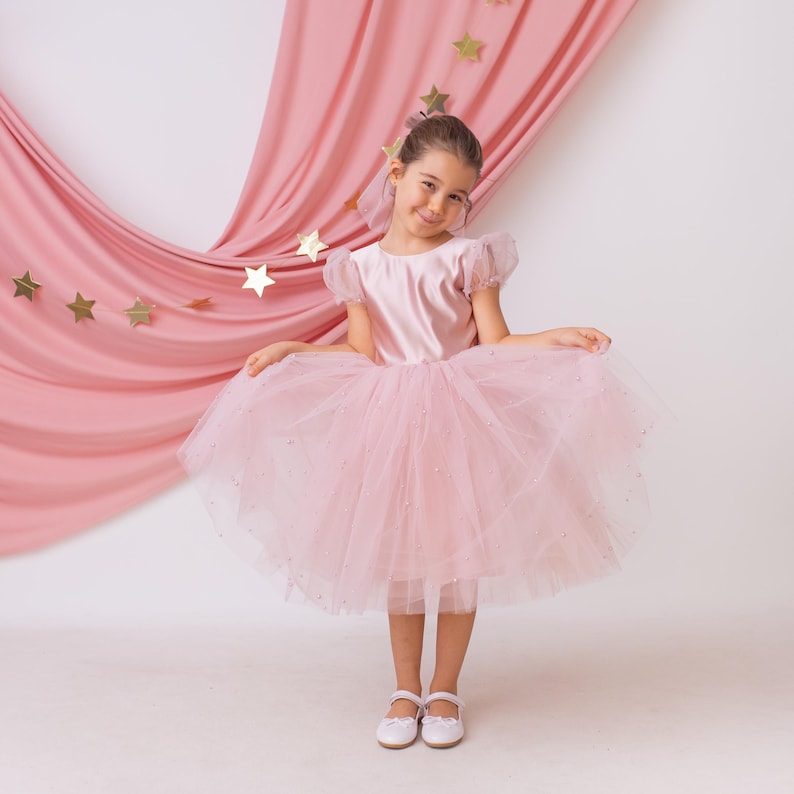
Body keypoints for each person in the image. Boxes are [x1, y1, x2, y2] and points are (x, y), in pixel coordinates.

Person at [179, 114, 655, 750]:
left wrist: (559, 336)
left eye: (456, 195)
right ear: (397, 175)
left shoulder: (465, 258)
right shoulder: (361, 268)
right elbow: (361, 352)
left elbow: (498, 341)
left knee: (459, 561)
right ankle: (405, 690)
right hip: (389, 421)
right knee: (401, 563)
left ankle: (445, 689)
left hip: (459, 419)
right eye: (428, 185)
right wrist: (293, 347)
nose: (439, 204)